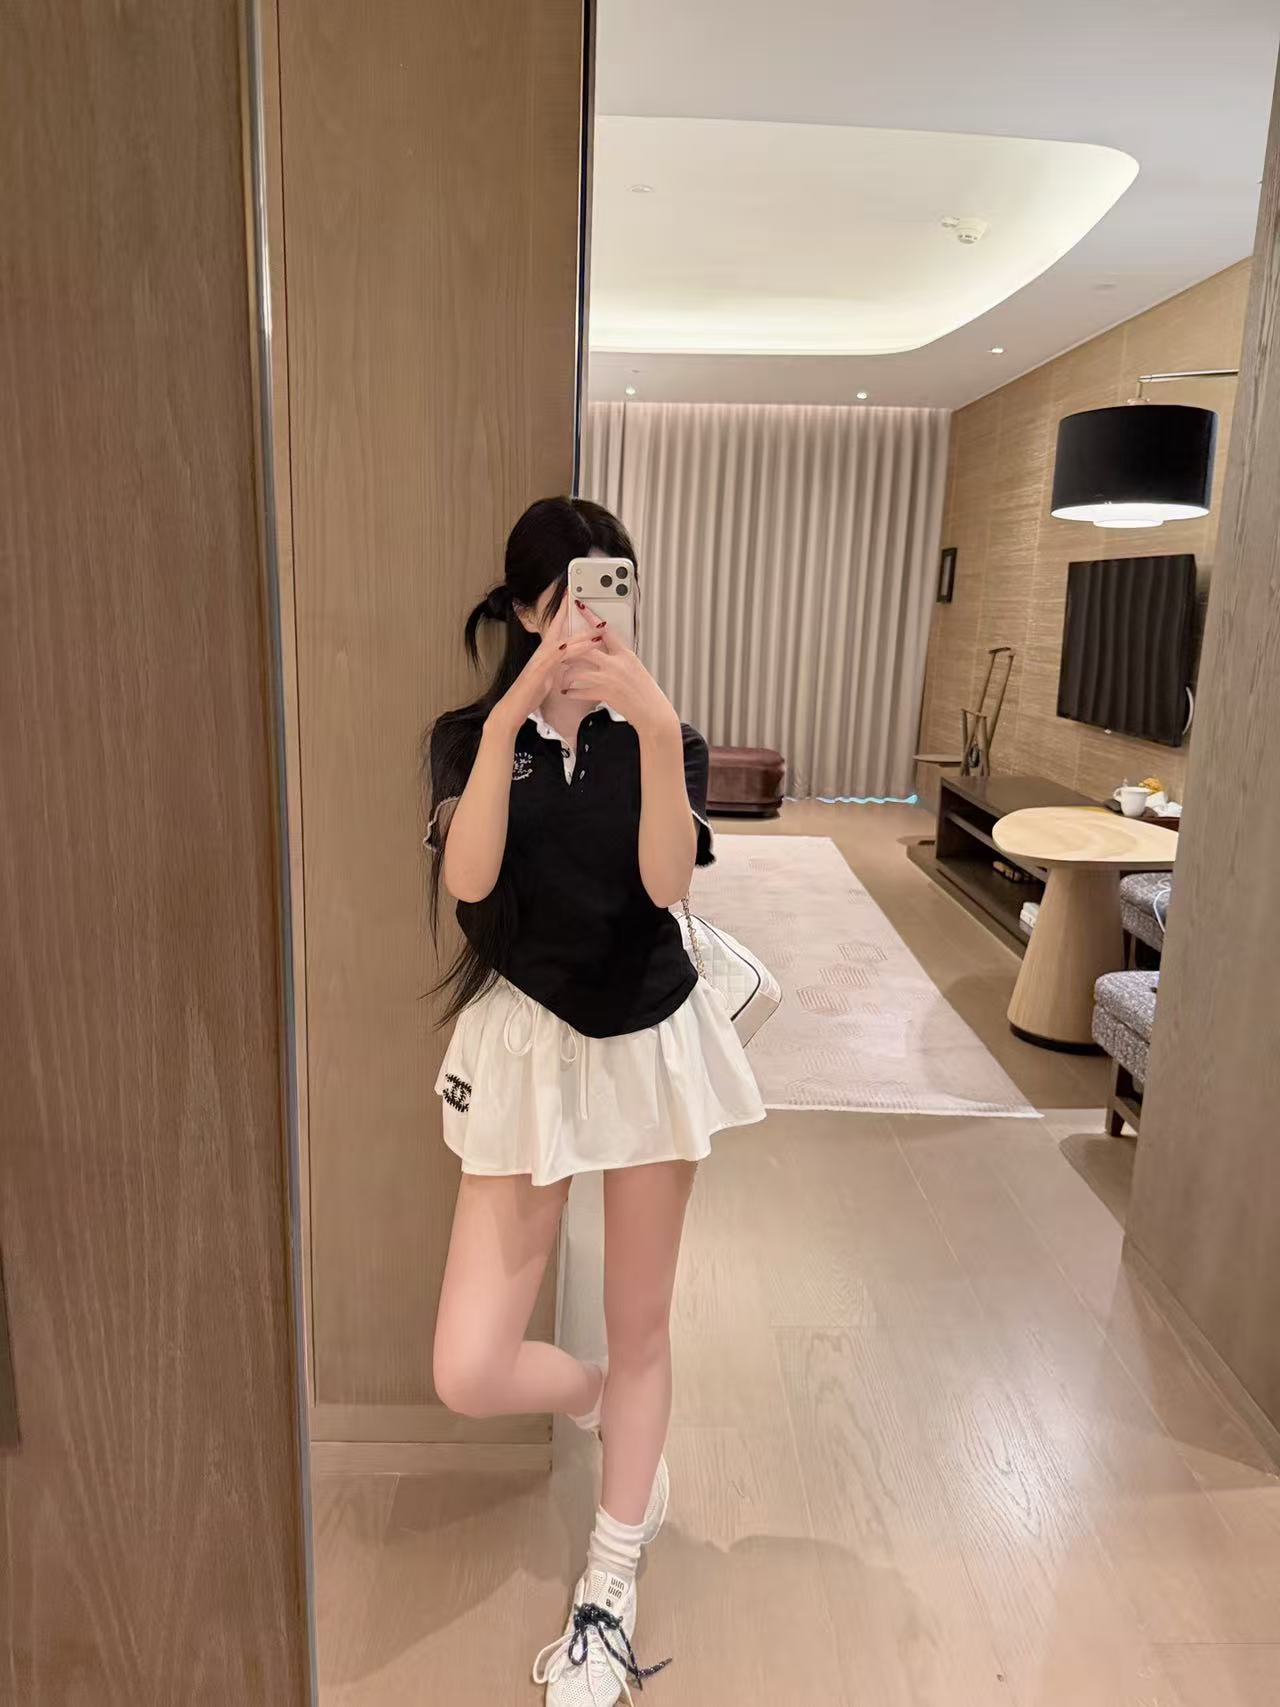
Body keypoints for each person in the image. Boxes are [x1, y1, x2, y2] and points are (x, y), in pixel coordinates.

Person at [424, 496, 765, 1704]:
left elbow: (666, 884)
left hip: (647, 1040)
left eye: (608, 588)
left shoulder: (661, 734)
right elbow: (470, 882)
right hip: (526, 1047)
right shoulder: (470, 736)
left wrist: (656, 724)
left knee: (642, 1328)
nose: (589, 617)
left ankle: (610, 1585)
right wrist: (514, 713)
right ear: (526, 609)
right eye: (565, 596)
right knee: (468, 1369)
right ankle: (598, 1408)